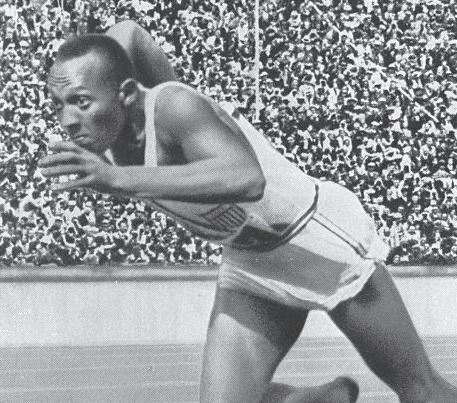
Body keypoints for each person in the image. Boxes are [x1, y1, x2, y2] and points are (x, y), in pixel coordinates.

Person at [39, 22, 457, 403]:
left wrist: (121, 174)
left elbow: (247, 178)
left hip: (316, 241)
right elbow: (127, 33)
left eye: (81, 102)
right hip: (251, 264)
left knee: (421, 391)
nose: (68, 120)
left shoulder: (174, 111)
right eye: (59, 105)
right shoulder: (105, 133)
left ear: (127, 92)